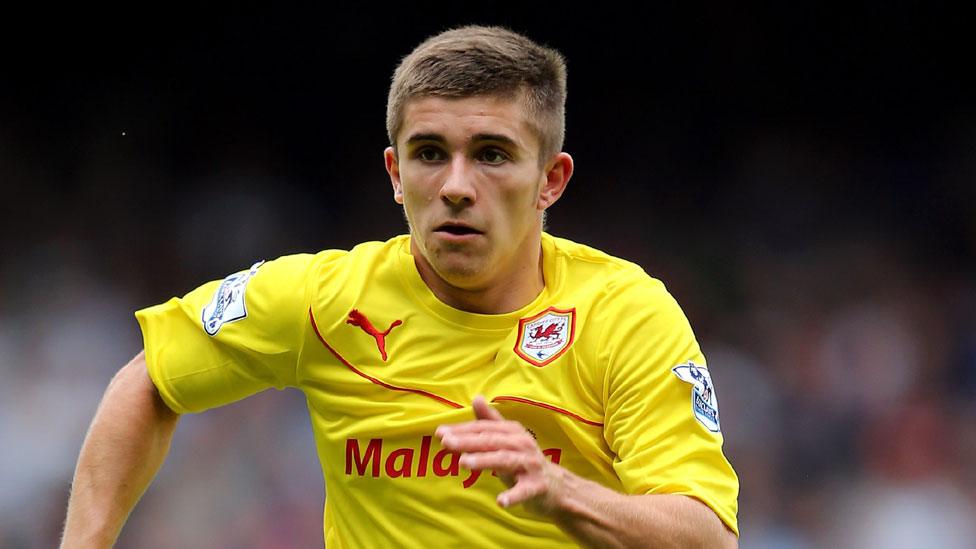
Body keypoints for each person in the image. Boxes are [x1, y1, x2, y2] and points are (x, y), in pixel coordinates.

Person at [61, 25, 739, 547]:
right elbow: (149, 380)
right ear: (394, 171)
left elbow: (708, 532)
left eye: (493, 154)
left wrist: (561, 491)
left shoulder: (626, 315)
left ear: (551, 180)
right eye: (429, 153)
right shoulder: (324, 299)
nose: (454, 186)